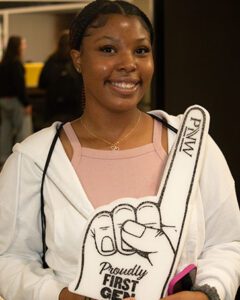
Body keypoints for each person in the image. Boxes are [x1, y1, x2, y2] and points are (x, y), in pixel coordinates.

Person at [0, 1, 239, 300]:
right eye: (108, 50)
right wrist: (59, 295)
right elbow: (10, 260)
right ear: (77, 59)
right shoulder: (35, 160)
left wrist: (205, 294)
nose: (129, 63)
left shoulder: (192, 144)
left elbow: (227, 243)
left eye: (141, 50)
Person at [38, 30, 83, 125]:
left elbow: (41, 83)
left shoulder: (51, 61)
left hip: (53, 109)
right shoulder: (78, 62)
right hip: (74, 110)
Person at [0, 35, 32, 166]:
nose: (25, 46)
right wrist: (26, 103)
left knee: (5, 131)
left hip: (3, 101)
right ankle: (22, 160)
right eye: (23, 44)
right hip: (16, 101)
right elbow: (19, 86)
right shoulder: (16, 63)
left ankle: (3, 159)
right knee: (23, 130)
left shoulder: (3, 63)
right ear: (17, 46)